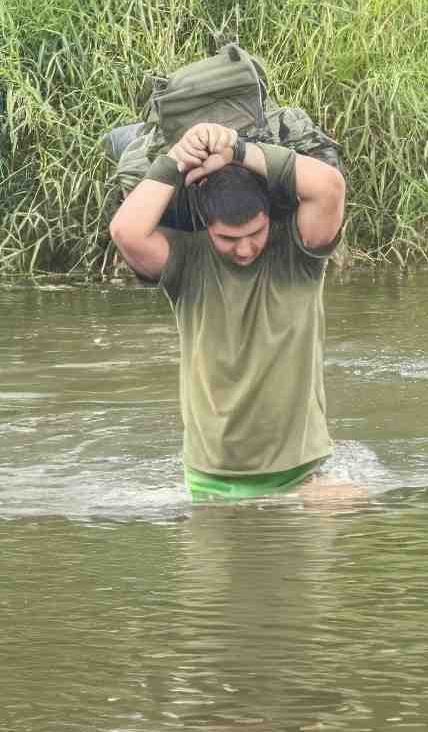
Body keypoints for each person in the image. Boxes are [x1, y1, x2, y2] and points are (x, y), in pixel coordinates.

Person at [108, 121, 347, 499]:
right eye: (228, 238)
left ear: (269, 216)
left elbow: (329, 187)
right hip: (210, 477)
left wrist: (238, 149)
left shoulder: (298, 253)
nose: (245, 248)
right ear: (206, 225)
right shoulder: (188, 261)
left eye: (256, 232)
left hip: (300, 471)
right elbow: (127, 231)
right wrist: (177, 158)